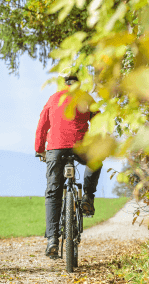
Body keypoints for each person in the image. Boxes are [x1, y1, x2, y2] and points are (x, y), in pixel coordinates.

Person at [35, 74, 102, 258]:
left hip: (56, 148)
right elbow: (99, 122)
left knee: (53, 191)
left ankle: (52, 240)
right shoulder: (86, 97)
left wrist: (40, 150)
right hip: (81, 146)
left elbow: (42, 125)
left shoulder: (54, 98)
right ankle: (88, 196)